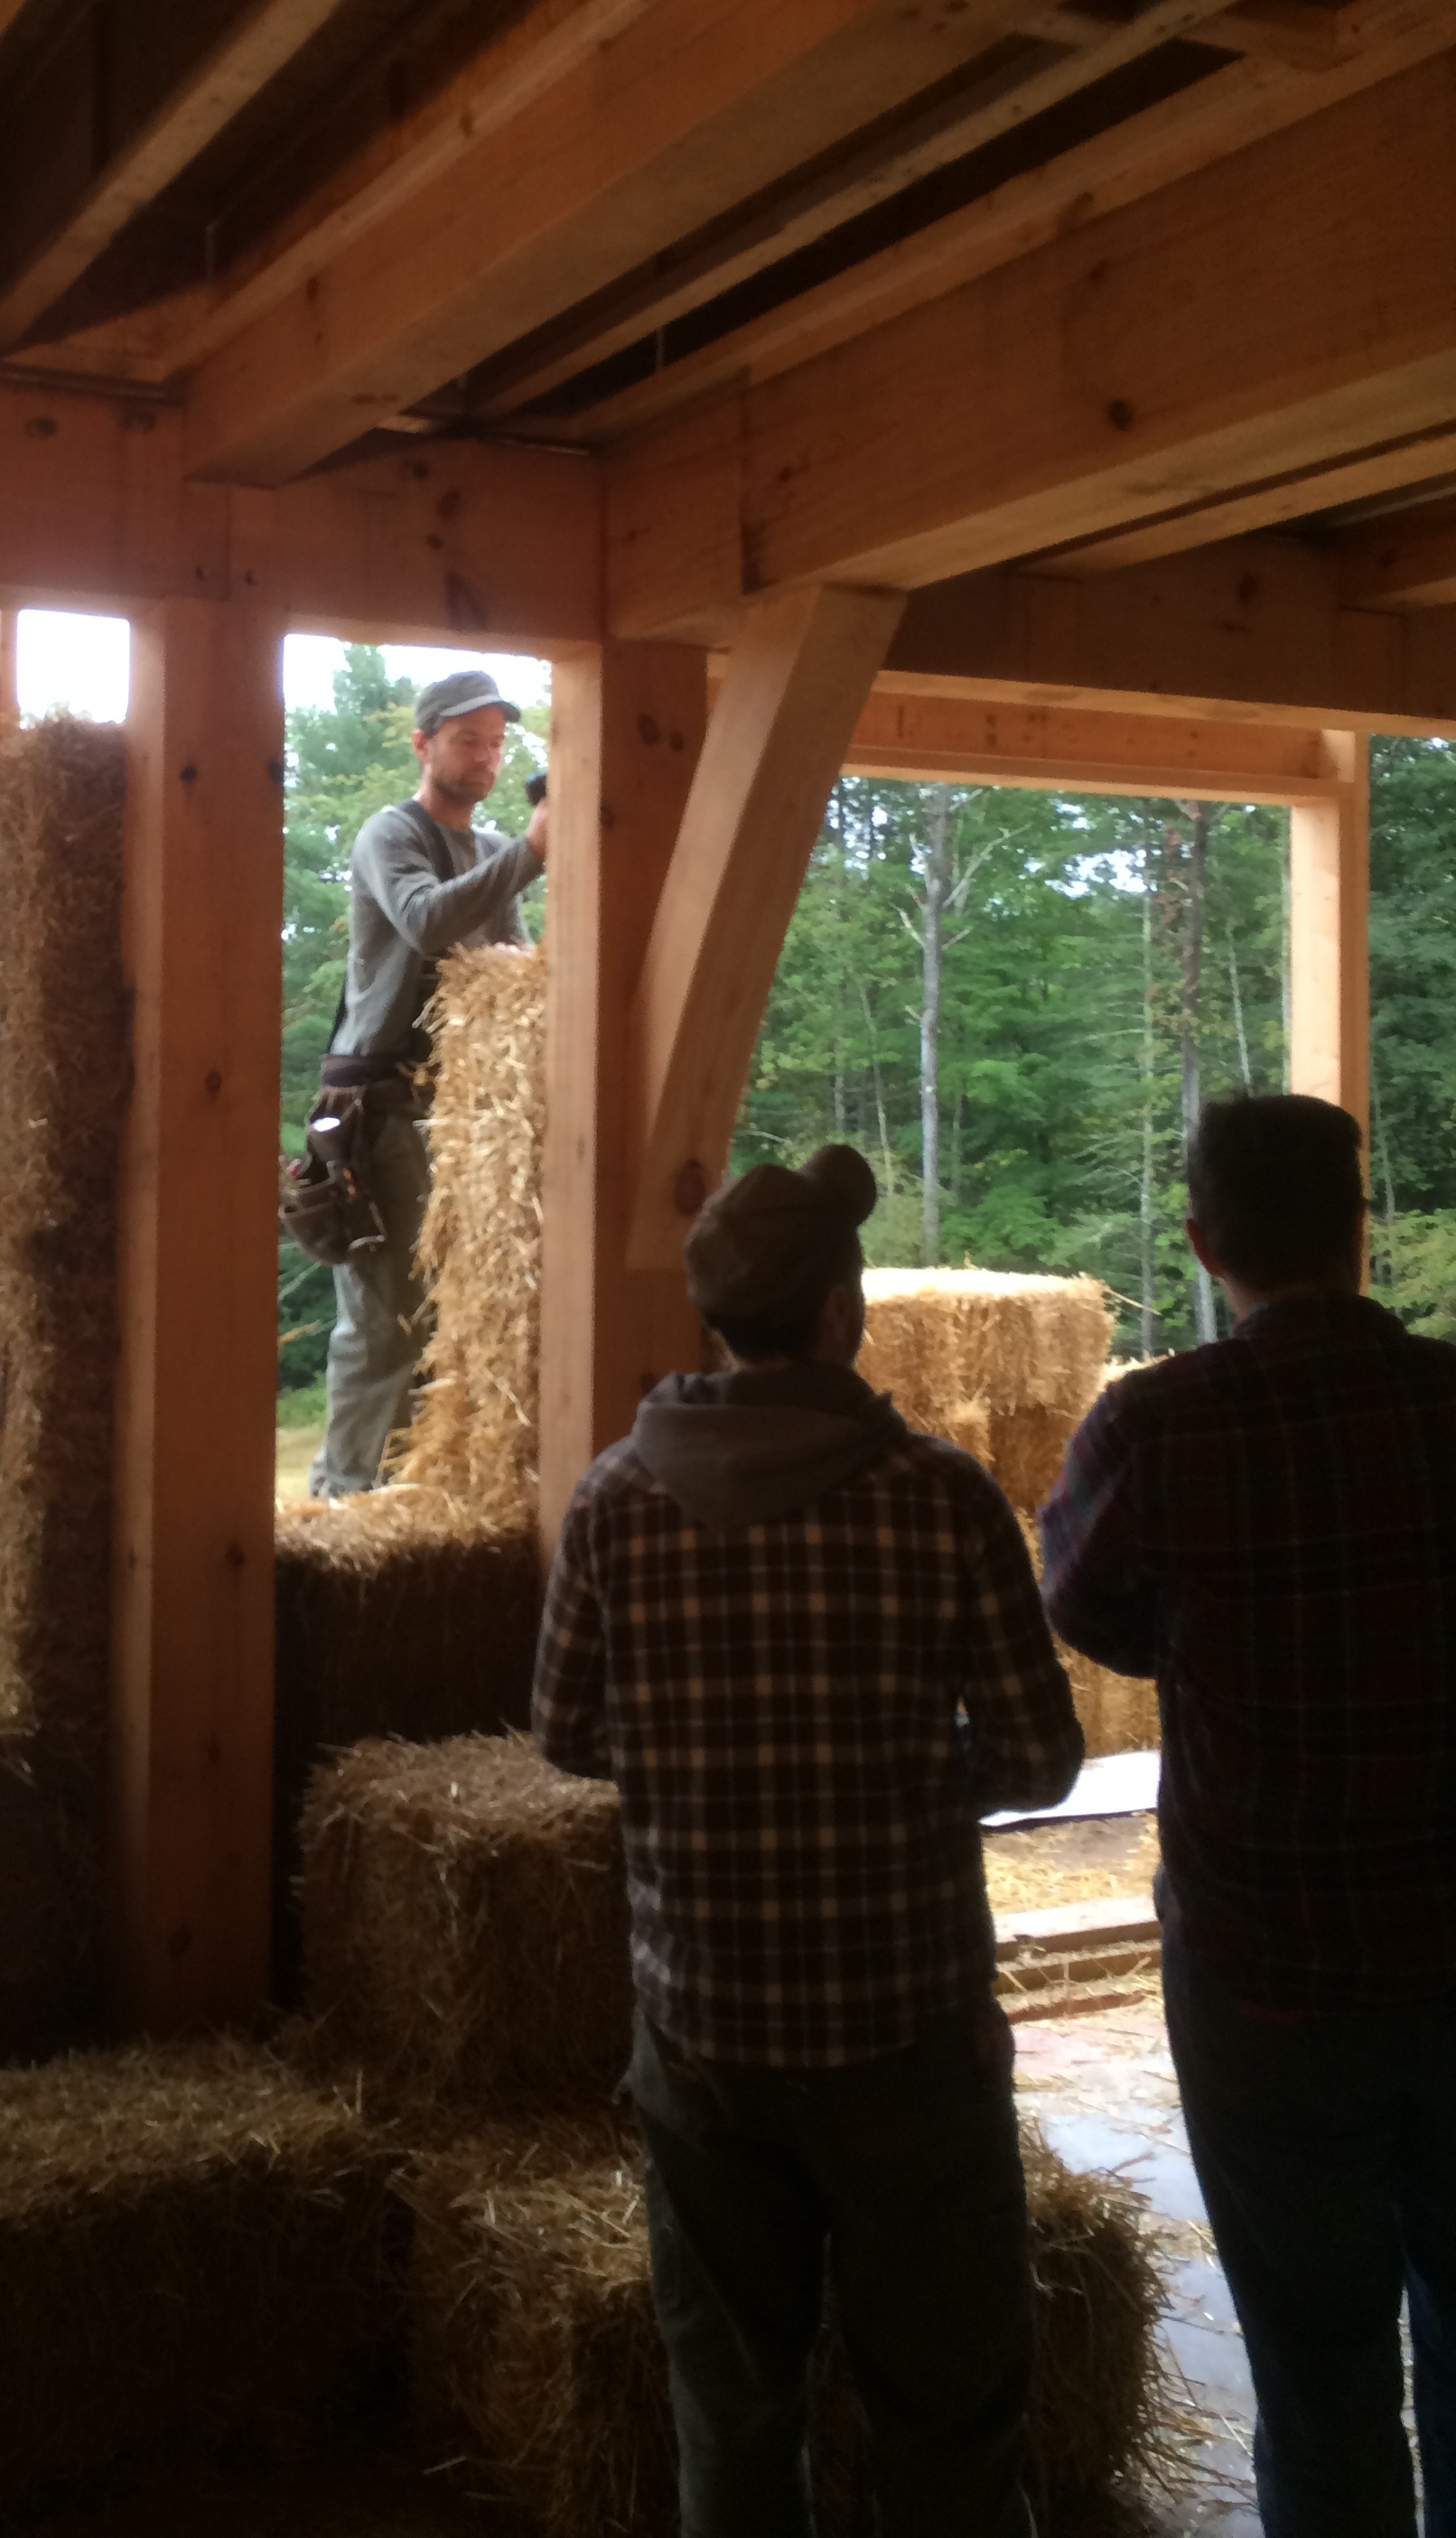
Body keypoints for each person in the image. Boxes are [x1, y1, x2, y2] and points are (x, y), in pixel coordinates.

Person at [534, 1144, 1083, 2538]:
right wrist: (897, 1777)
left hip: (703, 2029)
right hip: (904, 2029)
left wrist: (705, 1766)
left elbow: (565, 1733)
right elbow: (1038, 1755)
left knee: (733, 2405)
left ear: (719, 1315)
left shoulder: (613, 1498)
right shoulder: (938, 1495)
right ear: (840, 1310)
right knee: (950, 2415)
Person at [1041, 1093, 1456, 2538]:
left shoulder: (1158, 1423)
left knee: (1314, 2366)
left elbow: (1082, 1606)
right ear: (1358, 1233)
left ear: (1206, 1241)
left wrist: (1213, 1644)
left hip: (1263, 1965)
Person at [305, 667, 547, 1499]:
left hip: (457, 1115)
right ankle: (347, 1506)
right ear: (423, 744)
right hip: (378, 1105)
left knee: (447, 1315)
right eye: (467, 741)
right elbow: (425, 922)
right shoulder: (390, 833)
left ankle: (412, 1499)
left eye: (494, 744)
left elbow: (509, 962)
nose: (484, 758)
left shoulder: (489, 851)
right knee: (382, 1321)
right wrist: (536, 851)